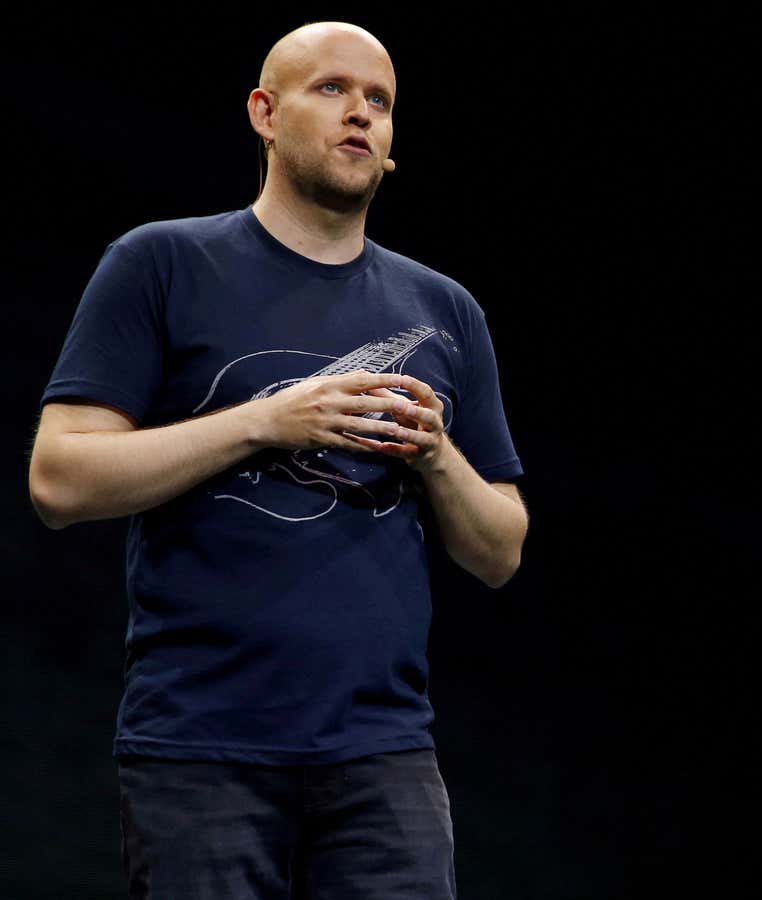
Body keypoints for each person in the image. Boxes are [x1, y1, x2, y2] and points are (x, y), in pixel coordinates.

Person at [27, 21, 526, 898]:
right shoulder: (164, 263)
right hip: (201, 750)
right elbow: (60, 480)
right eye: (332, 89)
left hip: (385, 758)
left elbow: (501, 550)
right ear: (264, 112)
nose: (361, 115)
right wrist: (266, 423)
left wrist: (439, 455)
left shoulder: (446, 311)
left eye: (381, 101)